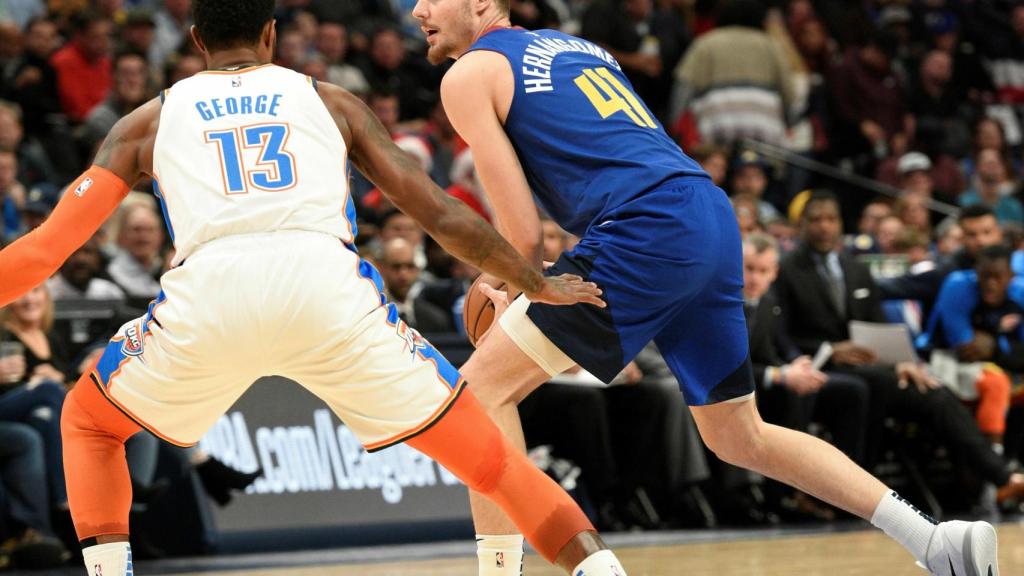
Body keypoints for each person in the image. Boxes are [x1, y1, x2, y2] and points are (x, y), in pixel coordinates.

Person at [0, 2, 623, 576]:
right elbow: (437, 211)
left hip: (214, 295)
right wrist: (531, 280)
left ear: (195, 42)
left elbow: (48, 248)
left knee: (89, 424)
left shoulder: (148, 120)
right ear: (271, 36)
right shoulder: (328, 100)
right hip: (327, 292)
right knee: (494, 463)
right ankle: (599, 568)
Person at [409, 0, 1001, 573]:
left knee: (479, 393)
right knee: (740, 435)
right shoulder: (579, 47)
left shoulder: (471, 74)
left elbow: (523, 238)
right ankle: (935, 539)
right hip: (706, 215)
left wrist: (500, 279)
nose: (417, 12)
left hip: (644, 226)